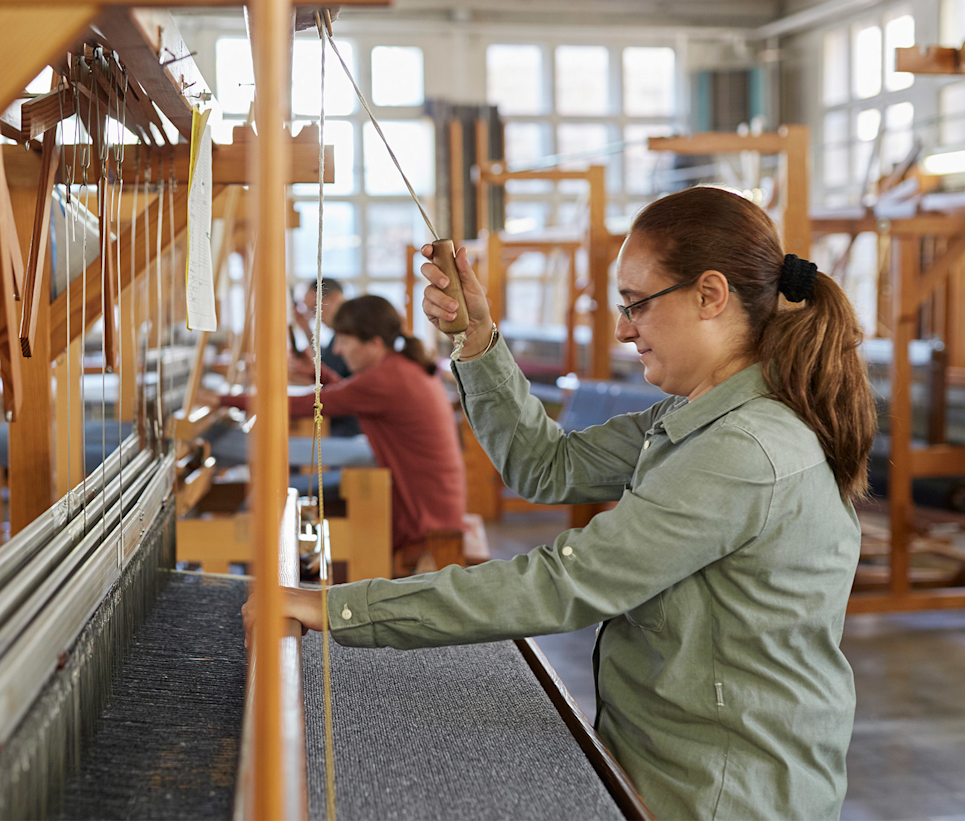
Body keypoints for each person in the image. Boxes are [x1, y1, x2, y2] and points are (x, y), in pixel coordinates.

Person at [255, 187, 878, 821]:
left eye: (637, 303)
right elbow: (545, 466)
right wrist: (475, 336)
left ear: (709, 296)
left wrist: (340, 609)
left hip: (721, 793)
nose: (624, 327)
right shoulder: (695, 417)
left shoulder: (744, 449)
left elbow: (564, 585)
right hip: (668, 762)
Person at [217, 294, 465, 571]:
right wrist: (318, 373)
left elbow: (304, 405)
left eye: (345, 341)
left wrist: (220, 399)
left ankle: (248, 574)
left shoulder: (386, 379)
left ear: (374, 344)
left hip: (423, 512)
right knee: (282, 489)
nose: (338, 351)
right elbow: (350, 392)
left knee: (272, 492)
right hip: (430, 499)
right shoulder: (399, 368)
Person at [292, 277, 360, 436]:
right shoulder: (338, 338)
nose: (314, 317)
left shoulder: (354, 334)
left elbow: (325, 374)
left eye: (314, 308)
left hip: (350, 425)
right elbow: (325, 372)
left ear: (335, 298)